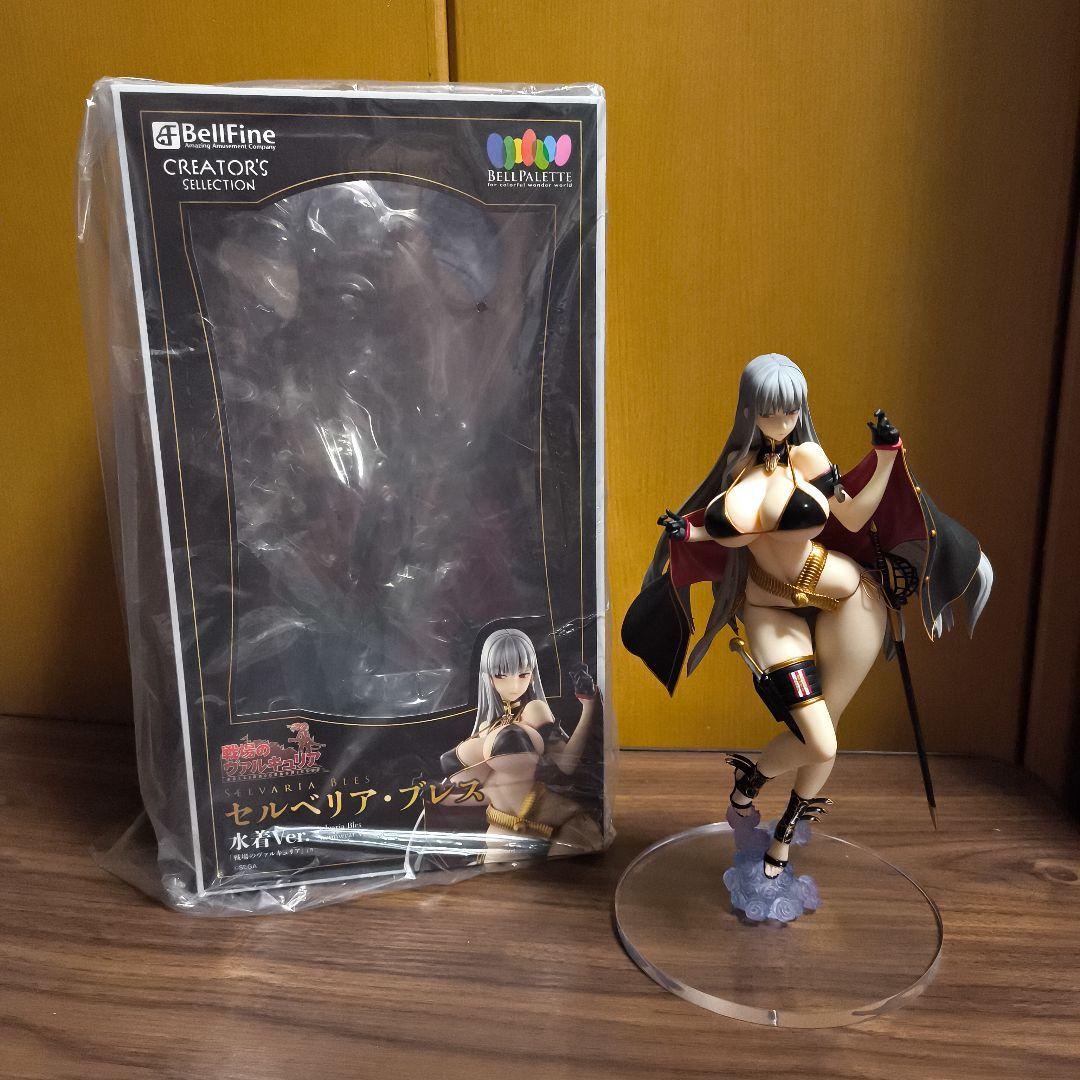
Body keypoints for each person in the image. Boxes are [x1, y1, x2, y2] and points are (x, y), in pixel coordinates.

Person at [622, 353, 992, 877]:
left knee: (828, 726)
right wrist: (686, 531)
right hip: (768, 607)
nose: (782, 422)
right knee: (818, 737)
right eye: (770, 411)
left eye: (791, 410)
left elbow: (854, 516)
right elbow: (718, 529)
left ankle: (785, 833)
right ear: (749, 410)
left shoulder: (811, 458)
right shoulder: (736, 471)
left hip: (846, 592)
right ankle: (752, 778)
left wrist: (886, 459)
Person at [439, 628, 602, 862]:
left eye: (523, 674)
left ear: (533, 675)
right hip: (504, 823)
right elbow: (490, 788)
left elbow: (567, 764)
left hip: (550, 817)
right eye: (501, 675)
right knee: (494, 870)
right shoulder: (487, 725)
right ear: (488, 676)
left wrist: (589, 707)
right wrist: (441, 796)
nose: (514, 684)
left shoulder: (534, 710)